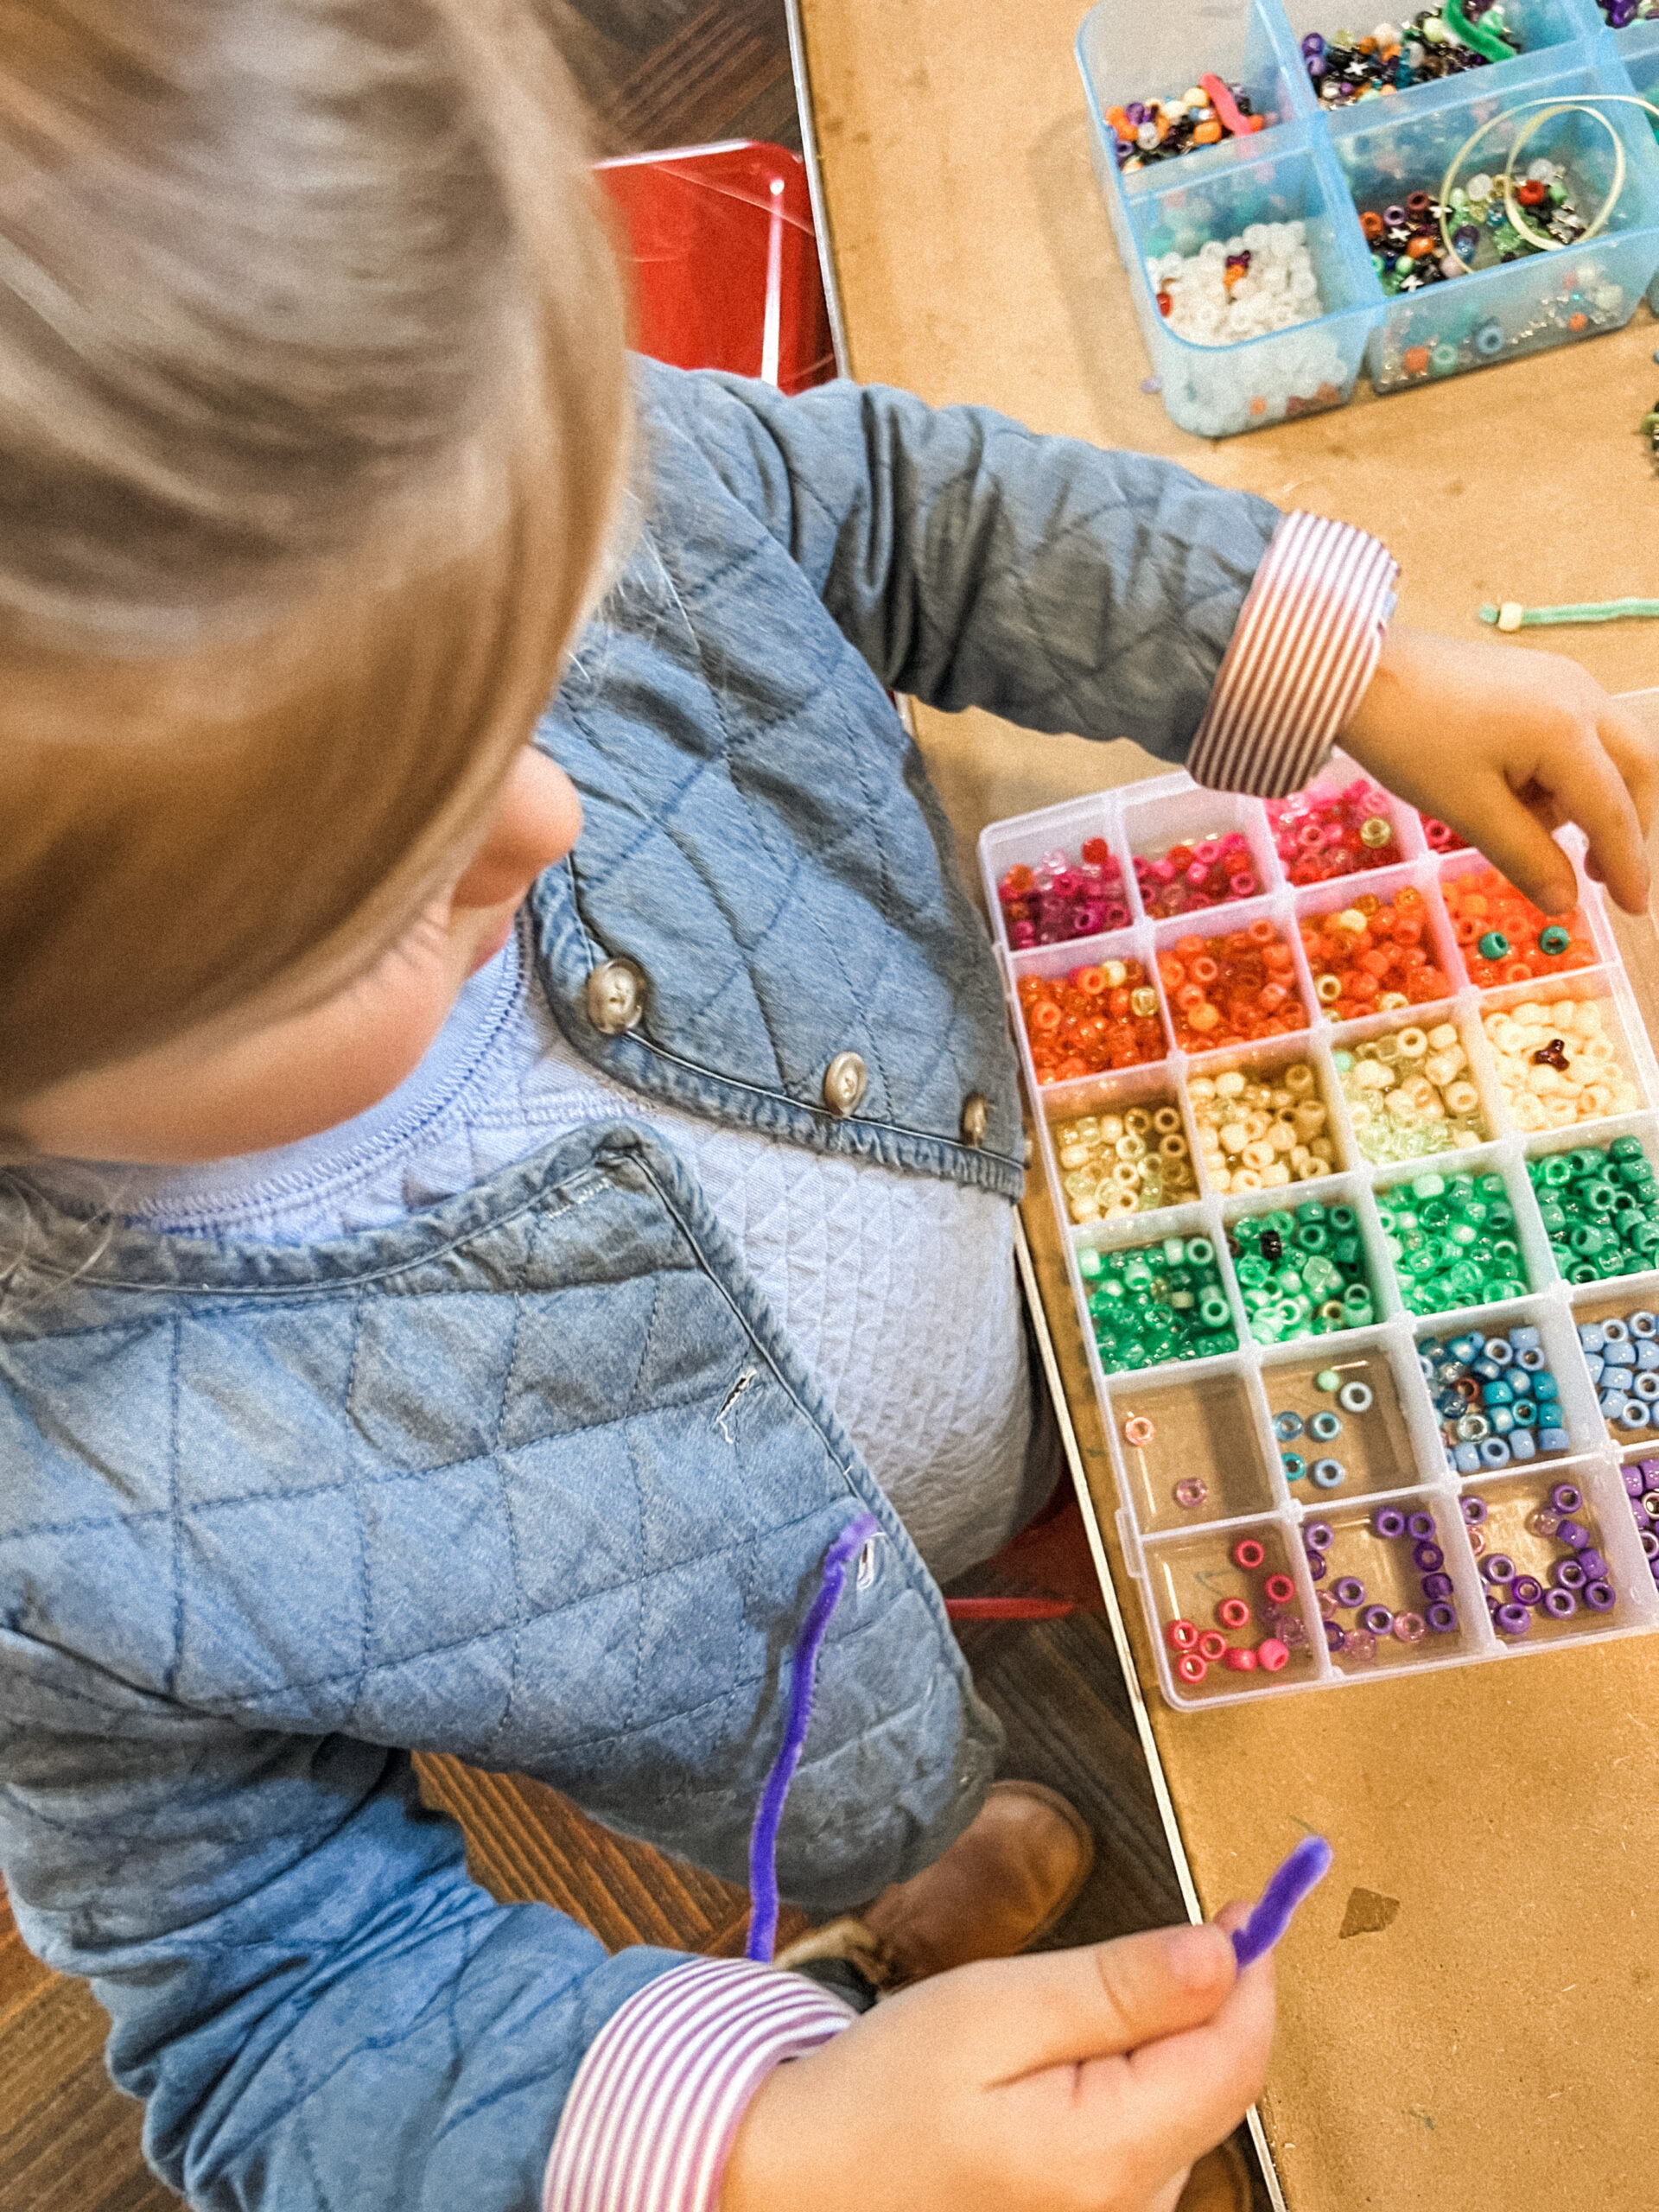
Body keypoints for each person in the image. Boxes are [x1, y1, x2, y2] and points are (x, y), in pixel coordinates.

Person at [0, 8, 1653, 2212]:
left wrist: (1339, 662)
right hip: (764, 1661)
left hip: (1032, 1270)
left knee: (1108, 1543)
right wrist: (760, 2143)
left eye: (552, 640)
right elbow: (273, 2003)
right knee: (905, 1764)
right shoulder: (62, 1541)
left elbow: (884, 503)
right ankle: (892, 1894)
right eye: (382, 889)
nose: (554, 811)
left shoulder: (474, 468)